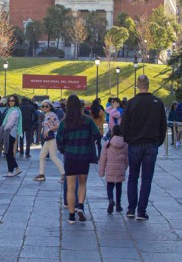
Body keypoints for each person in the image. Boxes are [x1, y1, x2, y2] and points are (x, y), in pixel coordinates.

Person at [121, 75, 167, 221]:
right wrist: (158, 141)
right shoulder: (157, 103)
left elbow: (124, 125)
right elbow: (163, 125)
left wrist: (128, 139)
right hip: (151, 144)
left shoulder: (132, 103)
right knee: (146, 178)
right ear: (148, 84)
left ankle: (130, 209)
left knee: (133, 177)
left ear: (137, 85)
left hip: (134, 144)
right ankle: (141, 211)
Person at [56, 94, 101, 224]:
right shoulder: (87, 120)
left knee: (70, 187)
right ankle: (80, 206)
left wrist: (64, 149)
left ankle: (71, 216)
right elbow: (97, 135)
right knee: (82, 183)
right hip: (84, 155)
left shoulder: (64, 122)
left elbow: (59, 140)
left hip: (70, 156)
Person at [98, 124, 128, 215]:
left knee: (109, 186)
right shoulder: (125, 144)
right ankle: (118, 205)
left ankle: (111, 200)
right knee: (119, 186)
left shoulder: (108, 144)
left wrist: (101, 171)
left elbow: (103, 159)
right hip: (120, 168)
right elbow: (127, 159)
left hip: (110, 168)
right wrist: (125, 167)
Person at [34, 100, 64, 182]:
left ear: (50, 106)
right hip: (48, 139)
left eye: (46, 106)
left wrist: (49, 130)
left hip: (52, 138)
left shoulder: (52, 114)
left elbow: (58, 125)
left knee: (53, 157)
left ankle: (64, 174)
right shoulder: (46, 114)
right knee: (42, 156)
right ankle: (41, 174)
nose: (44, 108)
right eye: (43, 106)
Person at [0, 95, 23, 176]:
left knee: (8, 152)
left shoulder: (15, 111)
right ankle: (15, 169)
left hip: (10, 133)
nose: (10, 102)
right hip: (9, 133)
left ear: (16, 102)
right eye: (9, 101)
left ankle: (12, 170)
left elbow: (11, 122)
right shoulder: (11, 110)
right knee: (9, 152)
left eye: (12, 101)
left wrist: (3, 128)